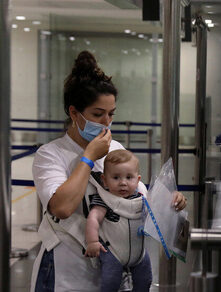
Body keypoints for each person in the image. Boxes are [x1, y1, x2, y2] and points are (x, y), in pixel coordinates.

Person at [31, 51, 187, 292]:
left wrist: (170, 201)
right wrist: (89, 156)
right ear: (74, 113)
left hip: (113, 270)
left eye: (111, 114)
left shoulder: (116, 150)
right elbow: (62, 207)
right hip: (66, 270)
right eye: (97, 114)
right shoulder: (50, 154)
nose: (106, 122)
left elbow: (137, 197)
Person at [84, 150, 151, 292]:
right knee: (110, 281)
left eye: (129, 177)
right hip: (113, 251)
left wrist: (172, 200)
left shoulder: (141, 198)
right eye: (116, 177)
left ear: (138, 180)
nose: (123, 183)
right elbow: (94, 218)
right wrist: (92, 242)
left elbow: (156, 211)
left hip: (139, 253)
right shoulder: (105, 199)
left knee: (145, 280)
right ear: (104, 180)